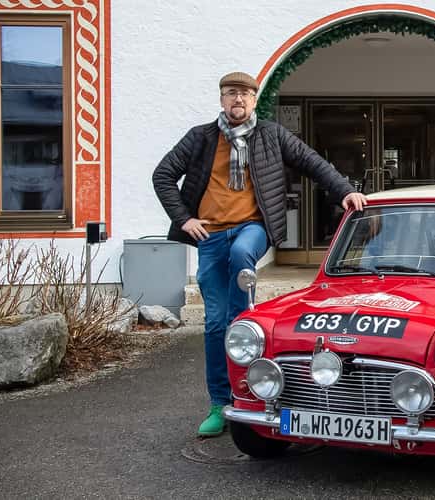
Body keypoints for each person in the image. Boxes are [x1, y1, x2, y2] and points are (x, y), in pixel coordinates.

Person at [152, 71, 367, 437]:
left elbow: (312, 162)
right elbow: (163, 174)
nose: (238, 100)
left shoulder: (271, 134)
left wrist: (344, 190)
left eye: (245, 95)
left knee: (241, 260)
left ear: (254, 101)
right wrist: (184, 218)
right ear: (222, 99)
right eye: (231, 93)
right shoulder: (201, 138)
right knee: (215, 325)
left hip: (253, 227)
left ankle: (244, 317)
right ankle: (221, 403)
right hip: (210, 235)